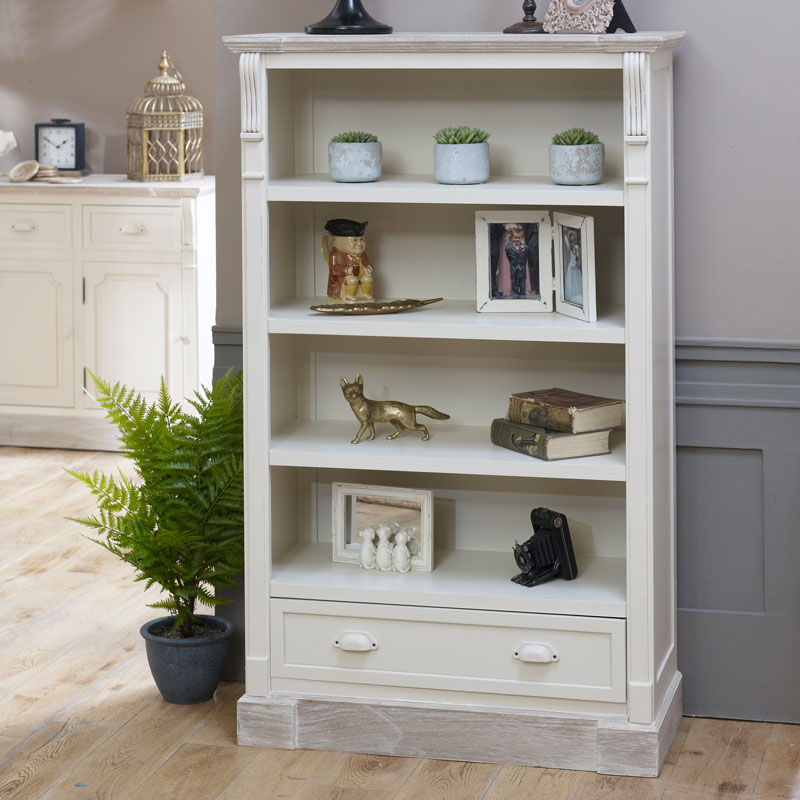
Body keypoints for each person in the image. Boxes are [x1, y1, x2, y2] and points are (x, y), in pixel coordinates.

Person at [321, 218, 375, 302]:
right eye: (354, 240)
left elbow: (366, 263)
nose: (360, 243)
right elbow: (333, 270)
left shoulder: (362, 254)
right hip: (342, 281)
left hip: (360, 276)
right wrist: (347, 270)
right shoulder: (335, 254)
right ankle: (349, 296)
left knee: (368, 279)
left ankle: (366, 294)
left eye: (361, 240)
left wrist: (368, 267)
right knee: (352, 280)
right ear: (339, 242)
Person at [505, 224, 529, 299]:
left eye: (519, 238)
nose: (517, 239)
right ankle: (515, 293)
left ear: (522, 238)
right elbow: (509, 257)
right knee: (514, 282)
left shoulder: (525, 247)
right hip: (514, 267)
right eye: (515, 237)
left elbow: (525, 258)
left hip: (522, 268)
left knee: (522, 282)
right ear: (512, 238)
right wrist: (513, 264)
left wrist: (523, 265)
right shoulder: (508, 248)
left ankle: (522, 293)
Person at [563, 228, 583, 306]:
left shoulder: (576, 247)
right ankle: (571, 297)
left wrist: (575, 263)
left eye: (573, 241)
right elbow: (566, 242)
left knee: (576, 282)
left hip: (575, 268)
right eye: (571, 241)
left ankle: (576, 296)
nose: (572, 243)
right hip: (570, 267)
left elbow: (577, 258)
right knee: (571, 282)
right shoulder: (571, 247)